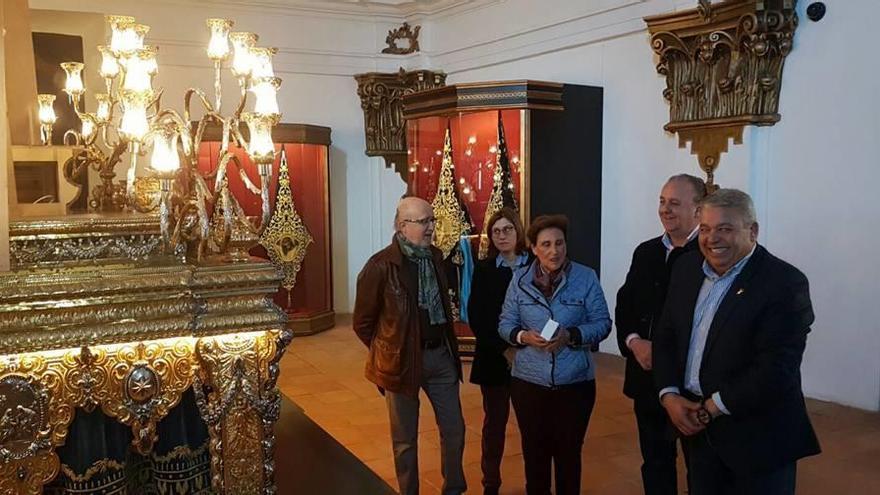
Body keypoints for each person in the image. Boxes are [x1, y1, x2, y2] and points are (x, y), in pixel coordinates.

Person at [653, 188, 821, 494]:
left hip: (758, 440)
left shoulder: (784, 282)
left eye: (725, 229)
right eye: (705, 229)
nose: (712, 238)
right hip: (699, 434)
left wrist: (710, 408)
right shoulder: (686, 269)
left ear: (752, 231)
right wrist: (669, 395)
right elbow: (665, 337)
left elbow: (776, 368)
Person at [353, 197, 467, 495]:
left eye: (432, 220)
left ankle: (453, 489)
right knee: (405, 440)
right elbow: (363, 323)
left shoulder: (436, 258)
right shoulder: (381, 266)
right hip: (401, 363)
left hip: (440, 357)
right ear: (402, 226)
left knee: (454, 430)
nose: (431, 227)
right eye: (424, 221)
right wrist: (389, 349)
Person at [498, 214, 611, 495]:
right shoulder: (519, 280)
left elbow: (603, 323)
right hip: (528, 384)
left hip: (575, 385)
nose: (554, 250)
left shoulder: (586, 278)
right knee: (535, 457)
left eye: (559, 243)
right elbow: (505, 324)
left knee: (568, 457)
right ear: (534, 248)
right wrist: (523, 337)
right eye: (546, 244)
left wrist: (570, 336)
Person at [615, 174, 705, 495]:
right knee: (654, 460)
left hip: (689, 384)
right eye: (662, 202)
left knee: (700, 467)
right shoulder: (646, 252)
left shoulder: (710, 256)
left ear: (698, 210)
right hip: (646, 377)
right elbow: (625, 304)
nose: (665, 210)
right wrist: (634, 342)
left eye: (675, 203)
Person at [467, 208, 531, 495]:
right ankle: (490, 484)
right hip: (494, 358)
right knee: (494, 425)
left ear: (518, 231)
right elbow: (478, 316)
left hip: (533, 358)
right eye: (496, 231)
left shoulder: (536, 267)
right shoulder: (484, 270)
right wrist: (505, 349)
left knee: (533, 426)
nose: (502, 235)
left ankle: (537, 483)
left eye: (507, 229)